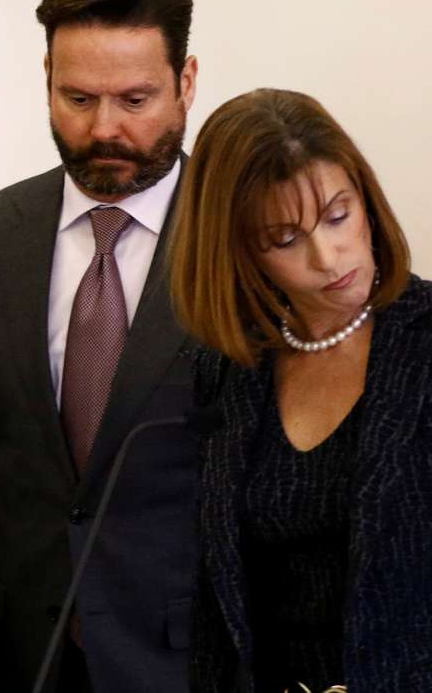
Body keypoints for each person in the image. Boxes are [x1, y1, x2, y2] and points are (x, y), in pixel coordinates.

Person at [0, 0, 203, 692]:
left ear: (186, 83)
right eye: (78, 98)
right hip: (23, 650)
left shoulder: (247, 238)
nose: (104, 129)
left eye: (135, 100)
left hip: (192, 652)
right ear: (46, 80)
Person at [169, 88, 432, 692]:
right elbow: (217, 602)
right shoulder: (225, 370)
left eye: (338, 216)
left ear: (365, 198)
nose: (328, 256)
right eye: (286, 239)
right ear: (240, 252)